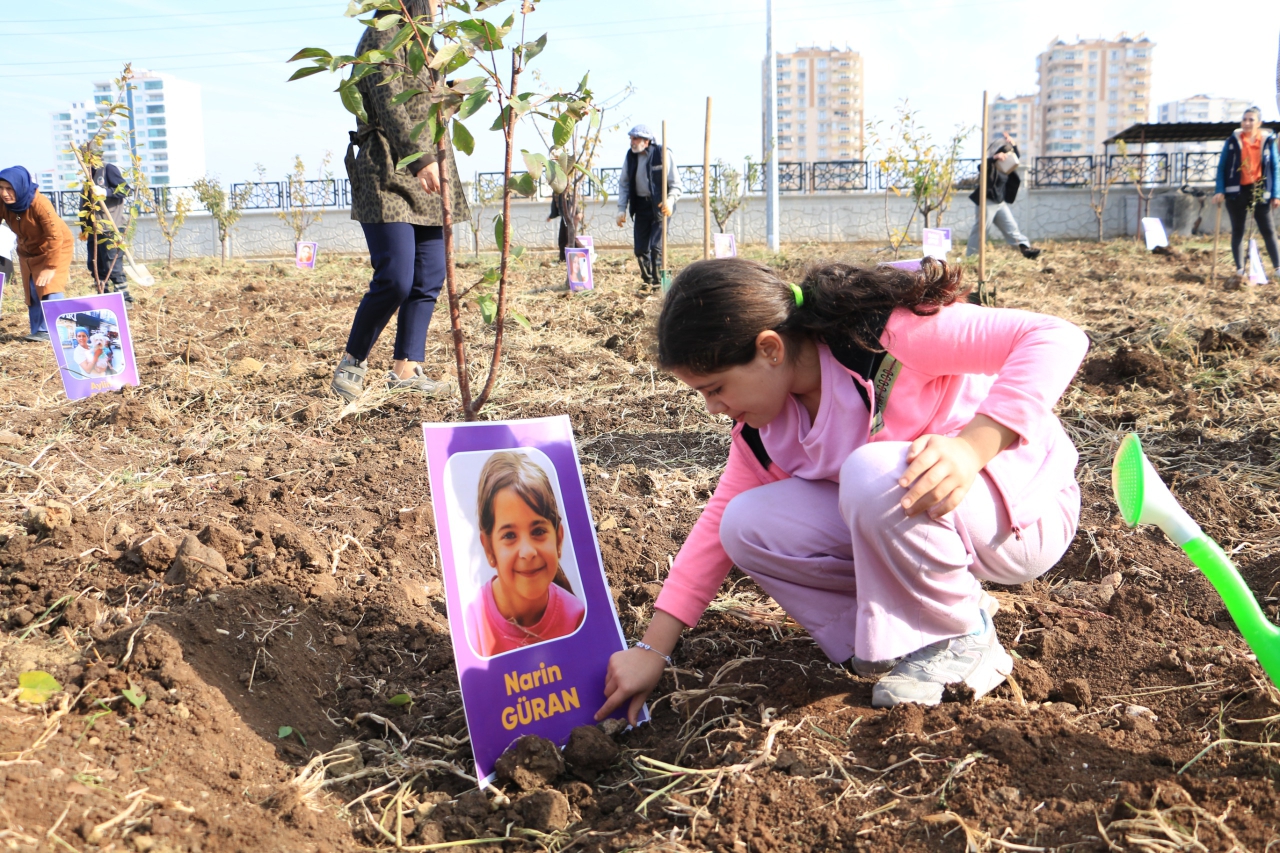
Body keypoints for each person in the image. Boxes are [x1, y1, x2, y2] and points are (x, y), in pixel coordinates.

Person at [595, 256, 1088, 721]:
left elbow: (1055, 336)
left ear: (770, 348)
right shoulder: (764, 431)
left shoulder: (886, 338)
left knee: (872, 472)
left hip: (1020, 514)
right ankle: (895, 640)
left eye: (716, 387)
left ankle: (960, 638)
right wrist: (651, 650)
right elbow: (712, 534)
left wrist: (972, 448)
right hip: (927, 519)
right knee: (745, 523)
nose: (712, 408)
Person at [331, 0, 471, 403]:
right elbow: (390, 104)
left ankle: (406, 369)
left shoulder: (428, 45)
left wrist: (454, 93)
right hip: (388, 170)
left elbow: (429, 106)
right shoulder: (382, 36)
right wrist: (423, 159)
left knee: (428, 278)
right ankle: (353, 361)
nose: (443, 4)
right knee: (395, 276)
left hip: (428, 175)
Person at [465, 451, 585, 656]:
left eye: (538, 531)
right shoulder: (472, 620)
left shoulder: (577, 617)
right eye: (510, 535)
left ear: (558, 538)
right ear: (489, 548)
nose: (527, 552)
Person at [0, 166, 72, 343]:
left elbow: (55, 236)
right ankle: (38, 331)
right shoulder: (4, 204)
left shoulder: (40, 203)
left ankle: (56, 332)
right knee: (32, 290)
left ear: (20, 186)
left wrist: (50, 267)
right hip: (28, 251)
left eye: (9, 188)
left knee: (50, 287)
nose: (4, 193)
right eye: (0, 188)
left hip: (55, 248)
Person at [1213, 106, 1279, 281]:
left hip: (1259, 190)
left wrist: (1276, 193)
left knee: (1268, 230)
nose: (1247, 123)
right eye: (1245, 119)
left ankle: (1278, 268)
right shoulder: (1233, 141)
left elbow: (1275, 167)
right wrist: (1220, 190)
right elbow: (1222, 167)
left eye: (1251, 120)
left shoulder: (1267, 141)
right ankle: (1240, 269)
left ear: (1259, 123)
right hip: (1237, 191)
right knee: (1238, 231)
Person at [615, 126, 681, 286]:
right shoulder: (630, 157)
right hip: (641, 207)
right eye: (631, 138)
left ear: (647, 141)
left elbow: (676, 184)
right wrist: (621, 208)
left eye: (635, 138)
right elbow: (624, 183)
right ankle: (648, 281)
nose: (632, 142)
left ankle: (659, 283)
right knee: (640, 249)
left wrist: (670, 201)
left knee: (656, 248)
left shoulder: (662, 154)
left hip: (660, 206)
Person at [966, 133, 1041, 260]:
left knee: (1011, 227)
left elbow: (1017, 156)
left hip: (1000, 203)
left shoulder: (1007, 168)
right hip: (987, 201)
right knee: (981, 230)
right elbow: (981, 166)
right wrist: (994, 157)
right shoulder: (991, 167)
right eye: (1006, 154)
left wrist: (1013, 144)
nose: (1009, 157)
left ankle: (1025, 249)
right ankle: (971, 257)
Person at [79, 158, 133, 303]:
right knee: (95, 264)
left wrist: (106, 192)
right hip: (94, 230)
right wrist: (84, 228)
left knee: (113, 265)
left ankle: (124, 298)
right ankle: (104, 296)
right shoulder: (87, 177)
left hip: (111, 227)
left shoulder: (108, 169)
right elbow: (83, 206)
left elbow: (126, 190)